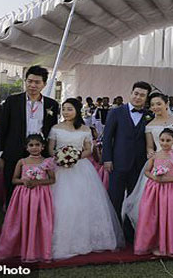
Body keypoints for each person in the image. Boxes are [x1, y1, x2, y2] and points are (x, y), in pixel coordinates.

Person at [122, 92, 173, 250]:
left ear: (166, 104)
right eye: (152, 105)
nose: (155, 107)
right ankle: (160, 236)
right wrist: (151, 154)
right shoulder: (149, 125)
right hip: (160, 160)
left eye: (158, 104)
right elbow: (150, 146)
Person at [49, 98, 123, 259]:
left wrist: (75, 157)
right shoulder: (55, 128)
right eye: (64, 109)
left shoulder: (85, 129)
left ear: (77, 111)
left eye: (69, 109)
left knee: (83, 202)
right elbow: (50, 149)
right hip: (60, 168)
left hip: (81, 167)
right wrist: (61, 157)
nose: (66, 112)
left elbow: (89, 149)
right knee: (62, 202)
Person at [0, 66, 60, 202]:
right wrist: (1, 153)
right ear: (25, 81)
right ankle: (12, 212)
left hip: (40, 152)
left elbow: (52, 130)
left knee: (38, 187)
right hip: (14, 150)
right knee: (12, 185)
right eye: (30, 81)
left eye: (37, 82)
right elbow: (3, 128)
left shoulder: (52, 104)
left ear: (44, 84)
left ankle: (34, 212)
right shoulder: (12, 101)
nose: (32, 85)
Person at [102, 81, 152, 242]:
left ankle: (131, 235)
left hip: (140, 165)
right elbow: (107, 137)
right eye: (136, 93)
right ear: (131, 93)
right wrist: (107, 159)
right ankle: (113, 234)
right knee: (115, 199)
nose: (138, 97)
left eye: (142, 95)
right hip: (117, 163)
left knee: (135, 200)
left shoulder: (150, 115)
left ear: (146, 98)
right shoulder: (116, 112)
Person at [0, 134, 56, 263]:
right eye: (31, 145)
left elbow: (52, 179)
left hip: (41, 196)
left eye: (37, 145)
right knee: (22, 220)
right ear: (26, 147)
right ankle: (20, 248)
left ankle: (39, 250)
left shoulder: (47, 162)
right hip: (23, 195)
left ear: (42, 147)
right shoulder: (22, 162)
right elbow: (14, 179)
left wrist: (37, 182)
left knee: (40, 221)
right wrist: (24, 181)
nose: (34, 148)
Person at [134, 128, 173, 257]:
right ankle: (156, 243)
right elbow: (147, 171)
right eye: (162, 140)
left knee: (170, 216)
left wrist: (167, 179)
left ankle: (169, 245)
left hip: (171, 190)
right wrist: (154, 177)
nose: (164, 143)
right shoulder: (155, 155)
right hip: (154, 190)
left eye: (168, 140)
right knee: (154, 216)